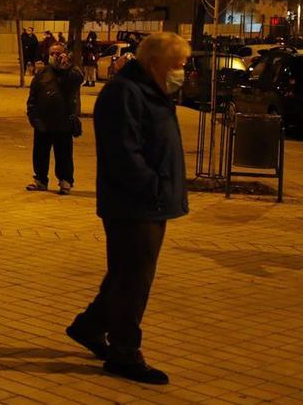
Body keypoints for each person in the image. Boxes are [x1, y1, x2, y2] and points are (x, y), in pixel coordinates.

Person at [66, 32, 190, 385]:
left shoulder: (153, 91)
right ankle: (124, 352)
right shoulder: (125, 93)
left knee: (125, 275)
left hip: (150, 201)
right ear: (154, 63)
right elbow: (124, 154)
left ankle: (89, 327)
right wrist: (154, 187)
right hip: (133, 204)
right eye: (177, 65)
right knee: (133, 280)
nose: (182, 72)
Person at [25, 42, 84, 195]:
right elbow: (32, 98)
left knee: (64, 154)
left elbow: (78, 79)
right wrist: (34, 118)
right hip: (43, 123)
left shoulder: (71, 72)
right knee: (40, 153)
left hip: (63, 123)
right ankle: (40, 180)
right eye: (53, 54)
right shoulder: (42, 74)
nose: (56, 57)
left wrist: (68, 67)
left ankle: (65, 182)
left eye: (59, 53)